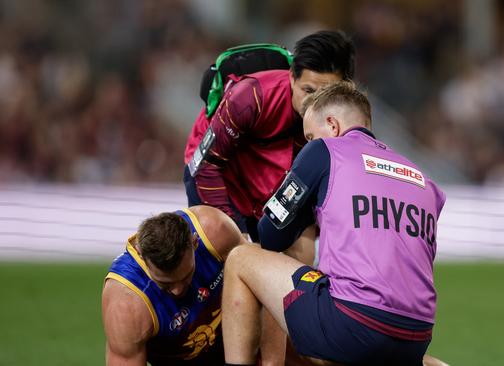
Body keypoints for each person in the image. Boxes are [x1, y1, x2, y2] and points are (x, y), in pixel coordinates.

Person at [221, 82, 447, 365]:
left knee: (242, 259)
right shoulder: (422, 178)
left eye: (310, 135)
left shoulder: (325, 151)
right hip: (416, 337)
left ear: (332, 125)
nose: (308, 143)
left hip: (352, 324)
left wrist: (306, 209)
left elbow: (271, 235)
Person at [183, 30, 356, 242]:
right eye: (308, 91)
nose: (315, 104)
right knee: (225, 252)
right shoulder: (249, 96)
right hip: (216, 173)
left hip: (270, 187)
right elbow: (207, 166)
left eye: (326, 94)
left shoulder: (347, 119)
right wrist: (237, 235)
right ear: (292, 77)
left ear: (344, 90)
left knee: (298, 249)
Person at [102, 205, 246, 365]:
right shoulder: (126, 303)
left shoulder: (215, 231)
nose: (177, 291)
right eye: (165, 284)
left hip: (245, 348)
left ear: (195, 242)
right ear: (143, 258)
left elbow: (259, 287)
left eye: (186, 277)